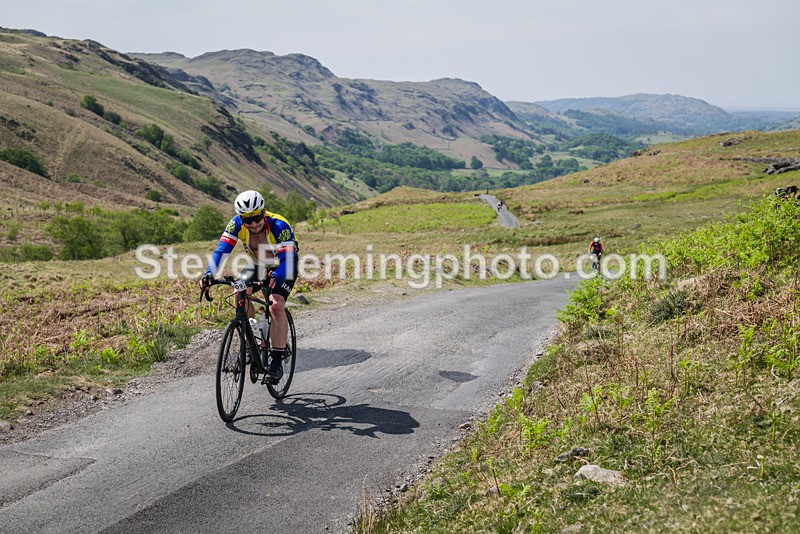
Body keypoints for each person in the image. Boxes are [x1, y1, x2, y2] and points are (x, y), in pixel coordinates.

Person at [199, 190, 299, 384]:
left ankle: (277, 361)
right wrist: (208, 275)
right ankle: (251, 340)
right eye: (248, 219)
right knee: (239, 295)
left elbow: (288, 259)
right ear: (241, 218)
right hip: (258, 264)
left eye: (257, 217)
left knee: (276, 305)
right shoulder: (236, 224)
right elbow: (221, 251)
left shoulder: (279, 225)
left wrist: (277, 276)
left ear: (264, 212)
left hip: (284, 265)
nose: (253, 224)